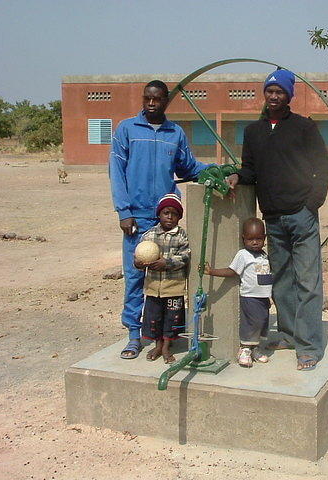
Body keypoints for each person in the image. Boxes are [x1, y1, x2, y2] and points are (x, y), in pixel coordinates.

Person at [226, 69, 328, 371]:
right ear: (265, 94)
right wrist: (235, 177)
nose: (274, 96)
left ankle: (309, 346)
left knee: (308, 282)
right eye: (270, 91)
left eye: (280, 92)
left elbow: (323, 169)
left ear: (289, 96)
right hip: (272, 219)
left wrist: (311, 205)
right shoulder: (253, 132)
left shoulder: (303, 127)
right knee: (282, 281)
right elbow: (250, 170)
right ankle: (287, 334)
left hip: (301, 216)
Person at [109, 80, 211, 359]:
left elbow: (189, 167)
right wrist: (124, 211)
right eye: (147, 99)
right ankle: (133, 335)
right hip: (138, 218)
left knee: (167, 278)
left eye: (157, 99)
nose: (151, 104)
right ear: (143, 99)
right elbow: (116, 171)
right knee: (135, 276)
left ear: (166, 101)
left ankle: (166, 335)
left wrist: (219, 170)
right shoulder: (127, 130)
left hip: (167, 220)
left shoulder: (174, 133)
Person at [204, 217, 272, 368]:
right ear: (243, 239)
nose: (255, 242)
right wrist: (211, 271)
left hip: (263, 297)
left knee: (262, 322)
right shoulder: (243, 255)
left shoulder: (264, 255)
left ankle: (255, 349)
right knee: (251, 323)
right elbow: (231, 271)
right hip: (250, 296)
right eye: (250, 239)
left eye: (259, 239)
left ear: (264, 238)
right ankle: (245, 349)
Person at [135, 194, 189, 364]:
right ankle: (158, 344)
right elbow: (138, 257)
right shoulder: (149, 235)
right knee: (154, 318)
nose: (170, 217)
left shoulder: (181, 236)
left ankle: (166, 346)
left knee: (172, 319)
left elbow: (185, 257)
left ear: (179, 217)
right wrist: (138, 263)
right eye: (166, 212)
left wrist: (167, 263)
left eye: (174, 214)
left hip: (173, 287)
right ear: (159, 214)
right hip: (153, 288)